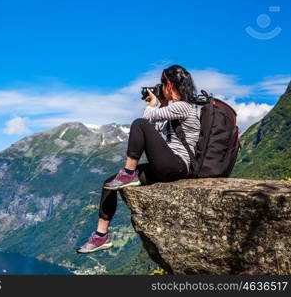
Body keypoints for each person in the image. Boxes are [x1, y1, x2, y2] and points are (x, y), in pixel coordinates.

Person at [76, 65, 201, 253]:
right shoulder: (174, 109)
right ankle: (101, 236)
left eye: (162, 83)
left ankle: (128, 172)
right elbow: (156, 131)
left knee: (139, 123)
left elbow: (147, 119)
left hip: (178, 165)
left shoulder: (184, 106)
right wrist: (161, 103)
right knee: (109, 182)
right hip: (167, 165)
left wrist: (152, 103)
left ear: (168, 83)